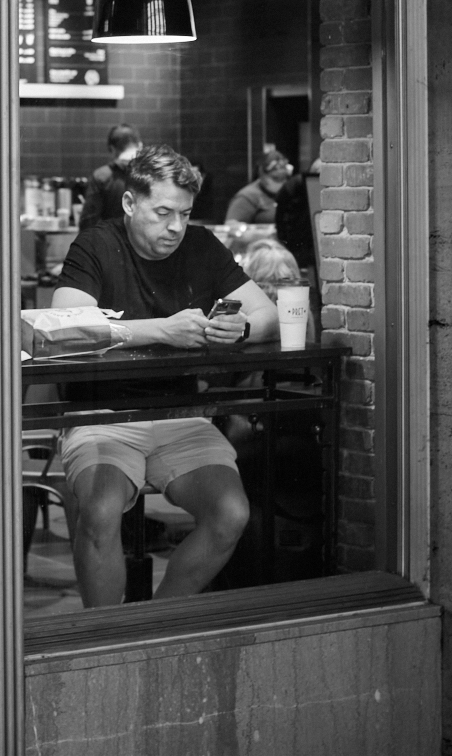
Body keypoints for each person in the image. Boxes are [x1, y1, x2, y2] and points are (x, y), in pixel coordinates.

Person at [52, 145, 279, 606]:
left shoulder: (200, 245)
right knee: (98, 511)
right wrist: (163, 330)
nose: (175, 226)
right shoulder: (97, 244)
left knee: (231, 514)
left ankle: (158, 620)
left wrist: (242, 328)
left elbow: (269, 314)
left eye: (185, 213)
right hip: (103, 415)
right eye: (162, 212)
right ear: (130, 204)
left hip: (179, 414)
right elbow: (66, 323)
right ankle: (107, 634)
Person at [77, 123, 142, 230]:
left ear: (112, 149)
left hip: (110, 244)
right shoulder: (151, 174)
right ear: (140, 145)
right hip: (145, 244)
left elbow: (88, 221)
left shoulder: (101, 176)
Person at [225, 150, 293, 224]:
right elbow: (231, 225)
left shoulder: (290, 192)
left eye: (284, 178)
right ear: (263, 176)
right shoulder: (248, 196)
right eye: (276, 178)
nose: (281, 182)